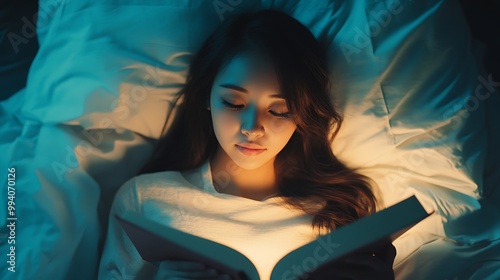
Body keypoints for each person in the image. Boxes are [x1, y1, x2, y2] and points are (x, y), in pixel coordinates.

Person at [98, 9, 396, 280]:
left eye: (279, 110)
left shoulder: (337, 211)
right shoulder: (145, 200)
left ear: (303, 115)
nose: (253, 129)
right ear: (207, 97)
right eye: (234, 103)